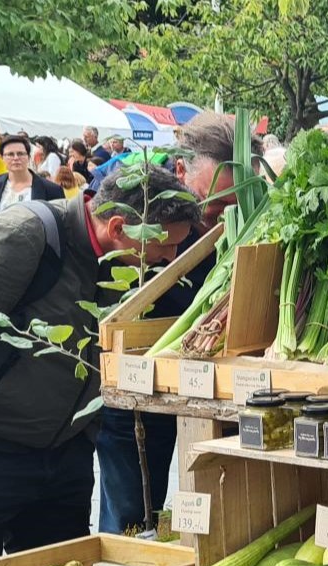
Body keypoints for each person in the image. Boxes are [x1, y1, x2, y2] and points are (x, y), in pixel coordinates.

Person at [0, 166, 199, 566]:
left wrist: (80, 440)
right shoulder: (17, 239)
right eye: (165, 248)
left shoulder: (122, 263)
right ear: (117, 226)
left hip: (58, 462)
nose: (170, 260)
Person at [96, 113, 257, 537]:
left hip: (211, 383)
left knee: (207, 507)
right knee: (130, 513)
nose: (225, 216)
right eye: (216, 203)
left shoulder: (250, 221)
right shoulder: (136, 203)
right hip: (138, 381)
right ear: (181, 169)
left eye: (237, 205)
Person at [0, 134, 62, 218]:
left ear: (28, 156)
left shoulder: (51, 189)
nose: (16, 158)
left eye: (20, 154)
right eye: (10, 154)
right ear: (2, 157)